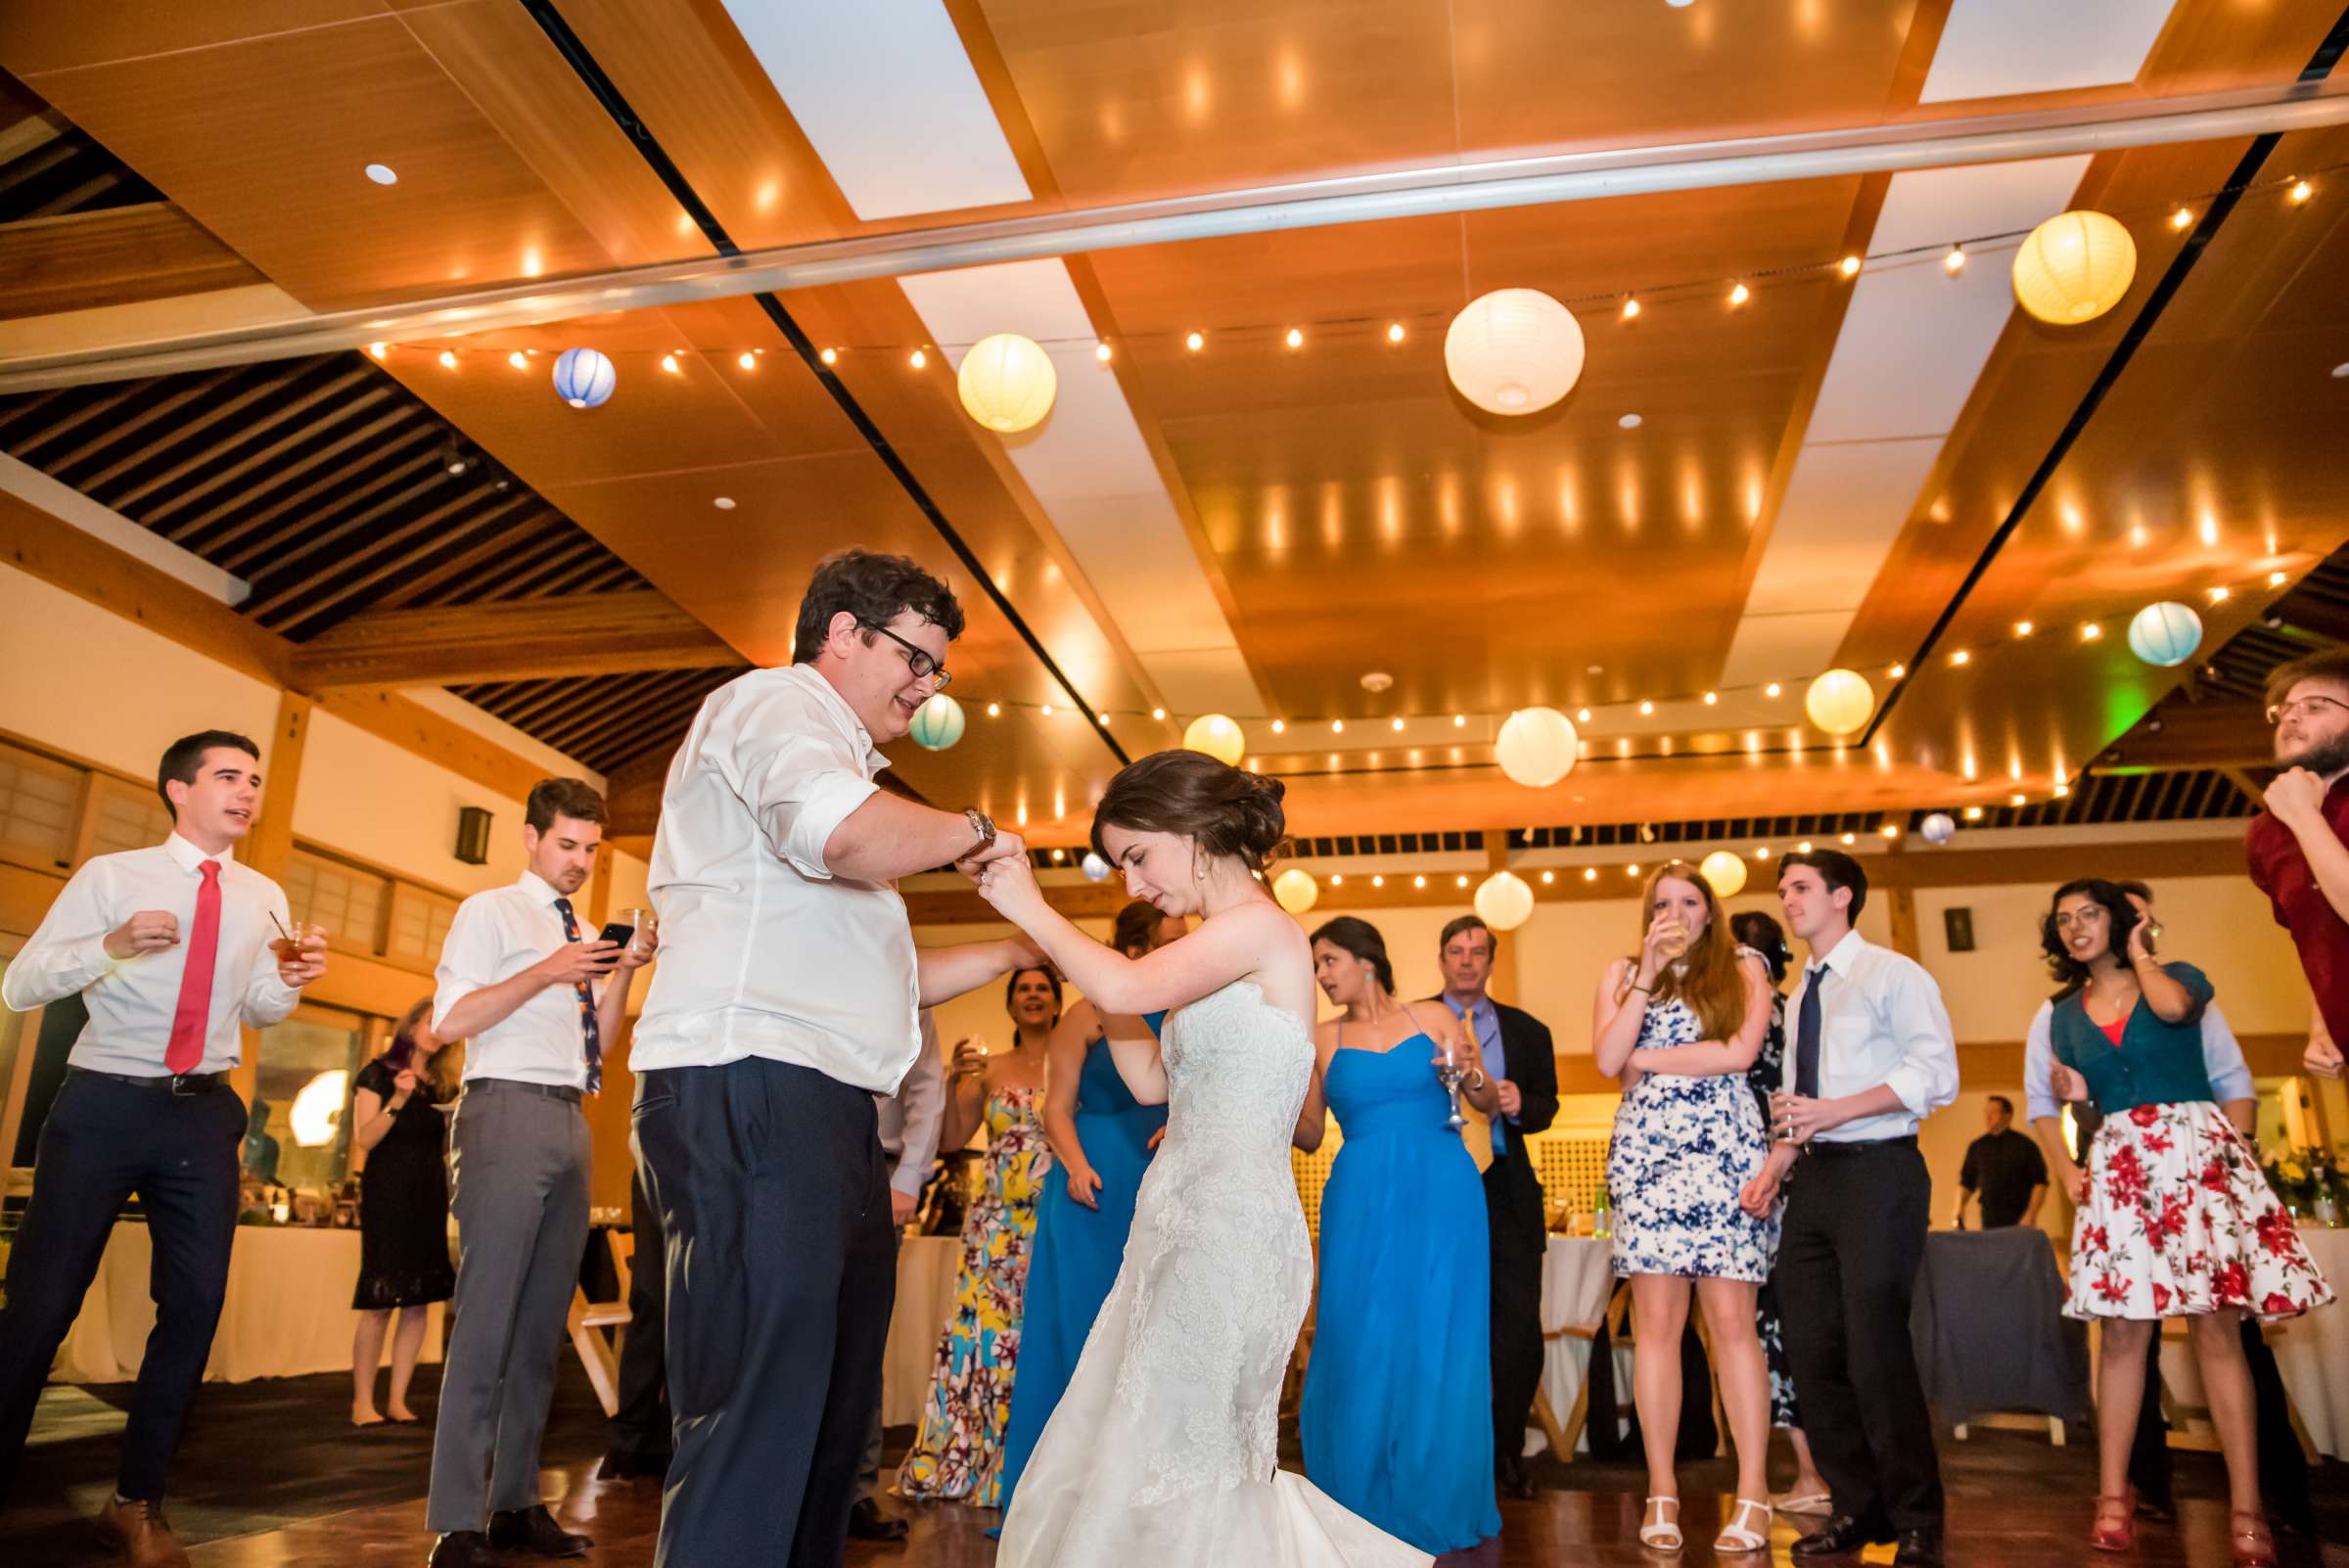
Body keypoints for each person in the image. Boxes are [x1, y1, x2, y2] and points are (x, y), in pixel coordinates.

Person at [626, 549, 1038, 1568]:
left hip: (832, 1106)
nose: (927, 685)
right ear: (842, 633)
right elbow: (842, 839)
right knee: (762, 1403)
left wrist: (1020, 947)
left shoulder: (849, 773)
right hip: (752, 1079)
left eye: (938, 669)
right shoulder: (776, 705)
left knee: (829, 1413)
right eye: (915, 657)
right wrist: (976, 830)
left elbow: (878, 978)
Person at [973, 748, 1428, 1566]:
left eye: (1137, 857)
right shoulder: (1213, 948)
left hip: (1230, 1230)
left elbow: (1121, 991)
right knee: (1149, 1448)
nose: (1134, 886)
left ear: (1193, 828)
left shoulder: (1258, 928)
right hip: (1172, 1226)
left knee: (1189, 1455)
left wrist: (1033, 911)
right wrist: (1111, 993)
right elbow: (1150, 1079)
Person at [0, 729, 326, 1566]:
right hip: (103, 1105)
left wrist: (286, 981)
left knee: (193, 1308)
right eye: (228, 776)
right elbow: (21, 982)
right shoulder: (112, 878)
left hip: (202, 1116)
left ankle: (137, 1502)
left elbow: (256, 1010)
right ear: (179, 790)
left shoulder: (261, 894)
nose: (246, 791)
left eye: (254, 779)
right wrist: (109, 946)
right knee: (40, 1309)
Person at [2026, 879, 2328, 1568]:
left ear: (2123, 918)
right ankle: (2112, 1496)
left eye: (2090, 914)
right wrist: (2075, 1100)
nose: (2075, 928)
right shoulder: (2061, 1014)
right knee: (2124, 1334)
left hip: (2194, 1156)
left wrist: (2141, 952)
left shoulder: (2181, 979)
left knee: (2217, 1331)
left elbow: (2171, 1010)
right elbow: (2051, 1096)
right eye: (2064, 920)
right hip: (2122, 1163)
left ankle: (2248, 1508)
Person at [423, 777, 656, 1568]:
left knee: (538, 1328)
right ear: (530, 837)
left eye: (591, 849)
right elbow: (449, 1021)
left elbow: (601, 1046)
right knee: (486, 1319)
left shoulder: (585, 931)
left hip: (569, 1116)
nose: (580, 862)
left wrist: (621, 970)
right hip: (504, 1108)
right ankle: (455, 1521)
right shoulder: (490, 912)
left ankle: (515, 1503)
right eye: (567, 845)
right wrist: (548, 970)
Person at [1739, 849, 1958, 1568]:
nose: (1787, 900)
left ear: (1842, 896)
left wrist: (1833, 1110)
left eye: (1800, 888)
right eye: (1783, 890)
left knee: (1876, 1349)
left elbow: (1935, 1074)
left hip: (1881, 1172)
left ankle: (1918, 1516)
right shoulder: (1803, 991)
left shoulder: (1893, 973)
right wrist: (1778, 1161)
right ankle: (1857, 1507)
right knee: (1812, 1350)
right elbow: (1805, 1106)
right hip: (1816, 1179)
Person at [1293, 915, 1501, 1555]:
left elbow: (1485, 1103)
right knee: (1361, 1330)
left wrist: (1470, 1074)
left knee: (1440, 1330)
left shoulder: (1435, 1020)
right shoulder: (1320, 1038)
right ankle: (1357, 1491)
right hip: (1361, 1193)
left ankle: (1436, 1485)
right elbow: (1305, 1134)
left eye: (1328, 961)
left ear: (1367, 962)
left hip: (1444, 1189)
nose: (1321, 976)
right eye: (1316, 965)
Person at [1594, 863, 1778, 1554]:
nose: (1675, 913)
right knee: (1657, 1329)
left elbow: (1740, 1052)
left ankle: (1755, 1491)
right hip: (1646, 1159)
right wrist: (1645, 971)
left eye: (1689, 901)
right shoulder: (1621, 971)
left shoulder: (1743, 967)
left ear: (1710, 911)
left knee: (1733, 1324)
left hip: (1726, 1154)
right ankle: (1661, 1489)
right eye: (1662, 903)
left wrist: (1649, 1054)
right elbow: (1610, 1059)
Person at [997, 901, 1178, 1515]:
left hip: (1161, 1181)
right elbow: (1056, 1105)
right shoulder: (1086, 1013)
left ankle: (1141, 1492)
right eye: (1168, 941)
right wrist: (1074, 1164)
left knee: (1152, 1330)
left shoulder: (1183, 1011)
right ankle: (1070, 1492)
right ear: (1134, 949)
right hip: (1093, 1180)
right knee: (1084, 1323)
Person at [897, 967, 1061, 1505]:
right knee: (985, 1341)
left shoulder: (1075, 1063)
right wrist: (949, 1081)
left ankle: (1036, 1460)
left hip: (1055, 1224)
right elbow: (949, 1139)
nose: (1033, 996)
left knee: (1039, 1339)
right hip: (995, 1229)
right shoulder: (989, 1069)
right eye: (1023, 990)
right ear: (1011, 1006)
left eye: (1042, 988)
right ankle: (970, 1453)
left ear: (1058, 1003)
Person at [1432, 915, 1558, 1499]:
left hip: (1507, 1188)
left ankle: (1505, 1449)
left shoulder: (1527, 1030)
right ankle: (1444, 1453)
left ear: (1490, 961)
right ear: (1441, 959)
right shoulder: (1415, 1022)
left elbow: (1546, 1107)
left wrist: (1519, 1100)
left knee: (1516, 1330)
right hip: (1437, 1183)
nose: (1466, 961)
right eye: (1456, 951)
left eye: (1477, 952)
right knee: (1442, 1322)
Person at [1726, 910, 1831, 1516]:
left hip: (1757, 1177)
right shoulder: (1792, 1013)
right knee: (1783, 1321)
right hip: (1794, 1173)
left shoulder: (1738, 1016)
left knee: (1771, 1324)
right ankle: (1814, 1467)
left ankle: (1810, 1470)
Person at [849, 1008, 945, 1541]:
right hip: (797, 1160)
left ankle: (857, 1490)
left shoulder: (906, 976)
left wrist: (909, 1176)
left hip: (880, 1168)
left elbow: (927, 1084)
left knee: (863, 1336)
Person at [348, 997, 457, 1428]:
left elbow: (444, 1148)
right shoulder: (377, 1073)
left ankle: (397, 1399)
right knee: (379, 1301)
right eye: (434, 1020)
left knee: (418, 1303)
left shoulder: (444, 1084)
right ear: (411, 1024)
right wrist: (398, 1098)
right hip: (387, 1193)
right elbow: (365, 1139)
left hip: (429, 1194)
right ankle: (362, 1401)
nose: (440, 1028)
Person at [2248, 647, 2349, 1088]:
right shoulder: (2267, 834)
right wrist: (2322, 1022)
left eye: (2314, 707)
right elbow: (2316, 940)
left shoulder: (2294, 816)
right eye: (2284, 710)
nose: (2290, 719)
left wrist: (2304, 816)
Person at [1952, 1096, 2046, 1231]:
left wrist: (2030, 1215)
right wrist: (1959, 1208)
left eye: (1993, 1112)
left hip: (2020, 1220)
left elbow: (2040, 1184)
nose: (1988, 1116)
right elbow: (1966, 1182)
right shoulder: (1977, 1147)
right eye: (1986, 1112)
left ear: (2007, 1115)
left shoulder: (2025, 1145)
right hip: (1989, 1220)